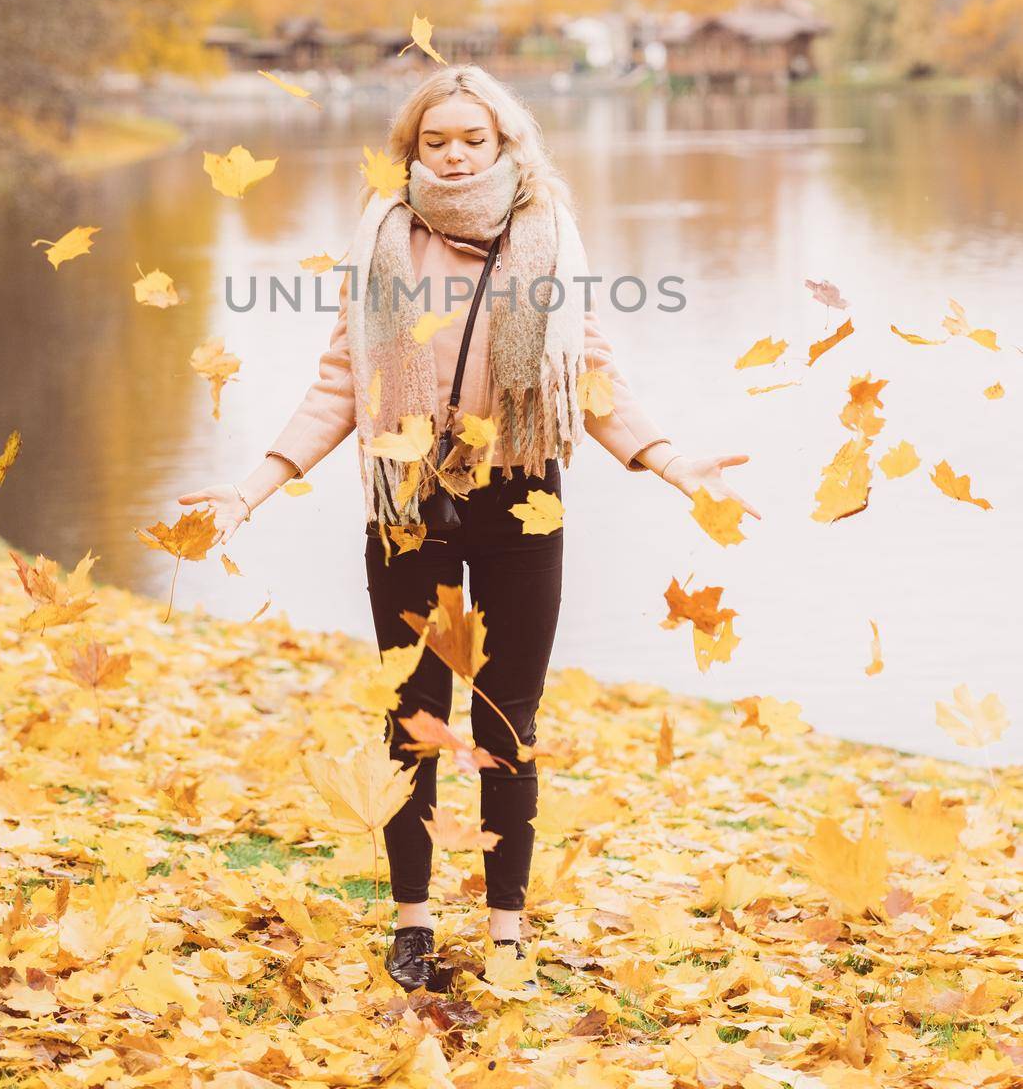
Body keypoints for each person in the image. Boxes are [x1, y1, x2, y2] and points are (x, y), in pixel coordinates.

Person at [178, 65, 760, 992]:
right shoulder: (381, 244)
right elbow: (340, 384)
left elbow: (591, 376)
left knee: (506, 723)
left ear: (503, 146)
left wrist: (667, 457)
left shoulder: (550, 242)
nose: (452, 154)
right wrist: (251, 490)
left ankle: (504, 931)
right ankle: (411, 924)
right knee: (415, 721)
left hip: (521, 496)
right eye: (434, 140)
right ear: (412, 150)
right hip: (407, 503)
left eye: (471, 139)